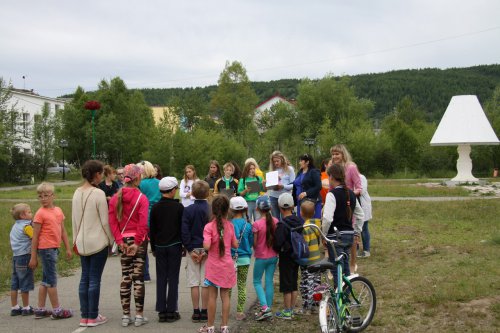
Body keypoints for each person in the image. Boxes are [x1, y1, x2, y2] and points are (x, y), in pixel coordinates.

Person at [72, 160, 113, 327]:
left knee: (85, 278)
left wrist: (75, 240)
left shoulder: (76, 192)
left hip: (81, 240)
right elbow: (105, 221)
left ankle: (85, 316)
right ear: (96, 174)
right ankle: (93, 316)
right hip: (97, 241)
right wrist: (111, 241)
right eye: (101, 173)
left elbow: (75, 220)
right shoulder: (98, 193)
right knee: (95, 279)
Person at [108, 164, 150, 327]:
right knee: (138, 278)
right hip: (138, 241)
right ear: (138, 178)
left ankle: (126, 316)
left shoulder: (115, 198)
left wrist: (119, 241)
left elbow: (112, 223)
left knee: (125, 277)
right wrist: (138, 242)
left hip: (123, 240)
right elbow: (143, 223)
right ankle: (139, 316)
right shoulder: (142, 198)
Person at [28, 182, 73, 319]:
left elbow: (63, 231)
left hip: (54, 248)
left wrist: (68, 248)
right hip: (45, 249)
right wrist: (33, 257)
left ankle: (40, 309)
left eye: (46, 195)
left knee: (46, 280)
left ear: (53, 196)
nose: (43, 198)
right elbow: (35, 237)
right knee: (52, 281)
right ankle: (57, 310)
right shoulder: (40, 214)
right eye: (40, 196)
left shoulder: (58, 211)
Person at [199, 195, 238, 333]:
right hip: (227, 266)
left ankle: (210, 327)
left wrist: (205, 243)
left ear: (213, 210)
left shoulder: (209, 227)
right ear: (228, 210)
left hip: (213, 267)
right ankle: (224, 326)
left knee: (212, 297)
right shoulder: (230, 226)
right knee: (225, 296)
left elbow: (207, 246)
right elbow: (235, 244)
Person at [321, 164, 364, 284]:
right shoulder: (351, 194)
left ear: (331, 177)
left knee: (336, 269)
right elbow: (360, 215)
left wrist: (323, 234)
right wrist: (356, 232)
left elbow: (327, 218)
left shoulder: (332, 194)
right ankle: (346, 297)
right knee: (345, 268)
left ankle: (338, 298)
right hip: (349, 236)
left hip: (335, 237)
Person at [150, 177, 184, 323]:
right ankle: (171, 310)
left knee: (161, 278)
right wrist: (183, 245)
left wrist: (153, 248)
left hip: (160, 246)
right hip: (174, 244)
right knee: (173, 278)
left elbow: (152, 229)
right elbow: (182, 228)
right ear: (172, 191)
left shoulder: (155, 207)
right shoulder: (178, 207)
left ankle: (161, 311)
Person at [181, 180, 211, 323]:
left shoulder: (188, 210)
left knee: (193, 282)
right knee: (205, 281)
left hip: (192, 247)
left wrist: (189, 248)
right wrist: (207, 251)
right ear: (208, 193)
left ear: (192, 193)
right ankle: (205, 311)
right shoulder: (211, 210)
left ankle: (196, 311)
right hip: (207, 248)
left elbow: (184, 231)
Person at [330, 144, 363, 274]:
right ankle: (340, 263)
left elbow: (359, 187)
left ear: (343, 154)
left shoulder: (351, 167)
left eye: (337, 154)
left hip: (349, 203)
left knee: (352, 234)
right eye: (333, 154)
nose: (334, 156)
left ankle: (353, 263)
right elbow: (332, 188)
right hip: (337, 204)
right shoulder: (332, 168)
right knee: (338, 234)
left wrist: (349, 195)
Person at [272, 193, 302, 320]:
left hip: (286, 256)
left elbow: (277, 243)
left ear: (280, 208)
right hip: (297, 255)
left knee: (286, 284)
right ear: (293, 206)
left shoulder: (282, 225)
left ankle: (287, 310)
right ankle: (293, 309)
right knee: (294, 282)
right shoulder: (300, 221)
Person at [252, 195, 278, 321]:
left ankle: (264, 307)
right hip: (273, 256)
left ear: (257, 208)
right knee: (269, 282)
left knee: (257, 281)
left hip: (261, 257)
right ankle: (268, 308)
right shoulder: (276, 221)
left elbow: (255, 244)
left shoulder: (256, 224)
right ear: (270, 207)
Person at [229, 196, 253, 321]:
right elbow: (251, 243)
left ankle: (225, 310)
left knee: (227, 286)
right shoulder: (248, 225)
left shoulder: (228, 224)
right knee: (242, 285)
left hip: (229, 260)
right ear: (245, 209)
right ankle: (239, 311)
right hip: (244, 259)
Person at [9, 203, 35, 317]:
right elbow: (34, 238)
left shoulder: (15, 226)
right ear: (23, 216)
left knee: (15, 282)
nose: (31, 213)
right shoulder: (27, 227)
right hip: (25, 256)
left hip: (16, 256)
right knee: (25, 281)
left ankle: (14, 307)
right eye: (29, 212)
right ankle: (26, 307)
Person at [138, 160, 161, 283]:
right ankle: (162, 272)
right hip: (158, 216)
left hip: (144, 216)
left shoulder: (140, 184)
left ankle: (145, 274)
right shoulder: (159, 183)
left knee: (143, 247)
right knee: (160, 246)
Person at [298, 200, 322, 315]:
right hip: (317, 258)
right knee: (316, 283)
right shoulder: (317, 225)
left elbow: (304, 246)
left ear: (301, 213)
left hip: (308, 261)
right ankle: (316, 305)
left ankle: (307, 307)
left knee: (307, 283)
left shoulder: (305, 228)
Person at [292, 154, 322, 219]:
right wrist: (293, 201)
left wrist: (306, 193)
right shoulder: (300, 172)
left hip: (311, 202)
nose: (299, 163)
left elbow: (318, 186)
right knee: (302, 222)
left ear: (307, 162)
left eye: (301, 161)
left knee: (312, 222)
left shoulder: (314, 172)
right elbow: (295, 185)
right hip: (300, 202)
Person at [267, 151, 295, 220]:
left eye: (277, 161)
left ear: (282, 159)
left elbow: (294, 185)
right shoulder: (272, 170)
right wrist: (267, 184)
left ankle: (285, 231)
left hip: (285, 197)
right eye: (274, 161)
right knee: (275, 219)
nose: (276, 163)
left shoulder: (290, 169)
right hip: (273, 197)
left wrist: (283, 186)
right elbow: (269, 186)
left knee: (285, 219)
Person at [358, 174, 372, 258]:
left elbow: (361, 191)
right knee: (353, 229)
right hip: (353, 206)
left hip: (363, 205)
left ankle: (366, 250)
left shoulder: (361, 177)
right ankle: (354, 249)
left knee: (364, 228)